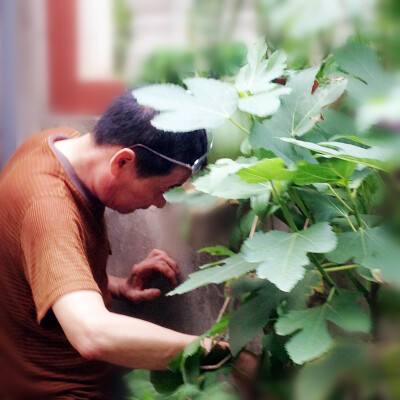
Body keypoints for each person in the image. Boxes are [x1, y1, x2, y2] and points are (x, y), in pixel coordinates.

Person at [0, 92, 256, 400]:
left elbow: (34, 260)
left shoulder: (54, 144)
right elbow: (92, 334)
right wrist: (222, 354)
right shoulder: (48, 208)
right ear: (122, 161)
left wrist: (114, 285)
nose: (161, 203)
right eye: (165, 188)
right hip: (60, 389)